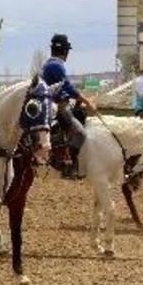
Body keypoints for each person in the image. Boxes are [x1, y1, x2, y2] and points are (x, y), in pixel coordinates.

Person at [41, 33, 94, 179]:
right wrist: (86, 100)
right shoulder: (56, 65)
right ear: (65, 51)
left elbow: (63, 89)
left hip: (58, 103)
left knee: (79, 115)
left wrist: (77, 100)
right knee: (81, 134)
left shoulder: (51, 64)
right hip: (58, 106)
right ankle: (71, 165)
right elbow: (68, 87)